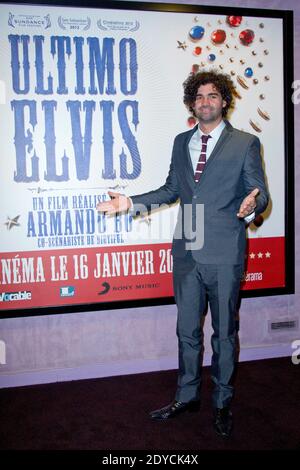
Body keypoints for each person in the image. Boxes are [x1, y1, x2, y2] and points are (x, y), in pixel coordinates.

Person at [96, 70, 269, 438]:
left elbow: (259, 192)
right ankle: (187, 395)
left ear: (224, 100)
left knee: (224, 334)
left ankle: (222, 402)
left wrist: (252, 205)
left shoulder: (246, 142)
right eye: (199, 96)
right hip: (187, 248)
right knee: (187, 332)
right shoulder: (180, 142)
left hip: (225, 250)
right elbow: (172, 188)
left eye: (212, 95)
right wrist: (130, 202)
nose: (205, 102)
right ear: (192, 103)